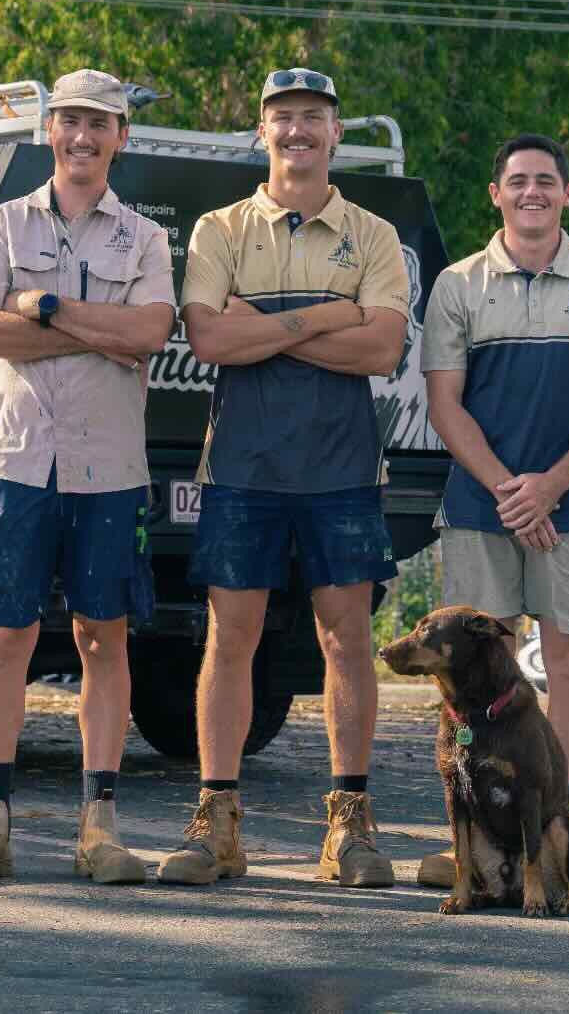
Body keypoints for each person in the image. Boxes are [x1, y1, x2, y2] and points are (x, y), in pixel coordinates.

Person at [157, 66, 410, 889]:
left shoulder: (372, 232)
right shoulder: (218, 228)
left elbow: (382, 351)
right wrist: (327, 315)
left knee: (347, 642)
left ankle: (350, 825)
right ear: (261, 131)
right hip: (243, 466)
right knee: (231, 640)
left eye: (314, 117)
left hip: (341, 469)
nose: (298, 131)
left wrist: (262, 325)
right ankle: (217, 821)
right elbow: (208, 343)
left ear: (336, 132)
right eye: (282, 118)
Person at [0, 69, 177, 887]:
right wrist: (86, 330)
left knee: (101, 638)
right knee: (7, 639)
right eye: (70, 121)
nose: (83, 136)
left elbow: (149, 333)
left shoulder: (142, 239)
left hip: (108, 468)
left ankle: (98, 830)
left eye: (100, 124)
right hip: (16, 461)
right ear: (50, 130)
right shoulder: (4, 224)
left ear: (121, 137)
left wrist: (41, 309)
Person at [414, 133, 569, 892]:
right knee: (469, 684)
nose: (532, 192)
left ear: (568, 194)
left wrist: (549, 487)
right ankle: (476, 848)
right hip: (483, 510)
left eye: (546, 180)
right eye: (517, 181)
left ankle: (564, 832)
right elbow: (445, 407)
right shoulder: (456, 284)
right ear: (495, 194)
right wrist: (515, 492)